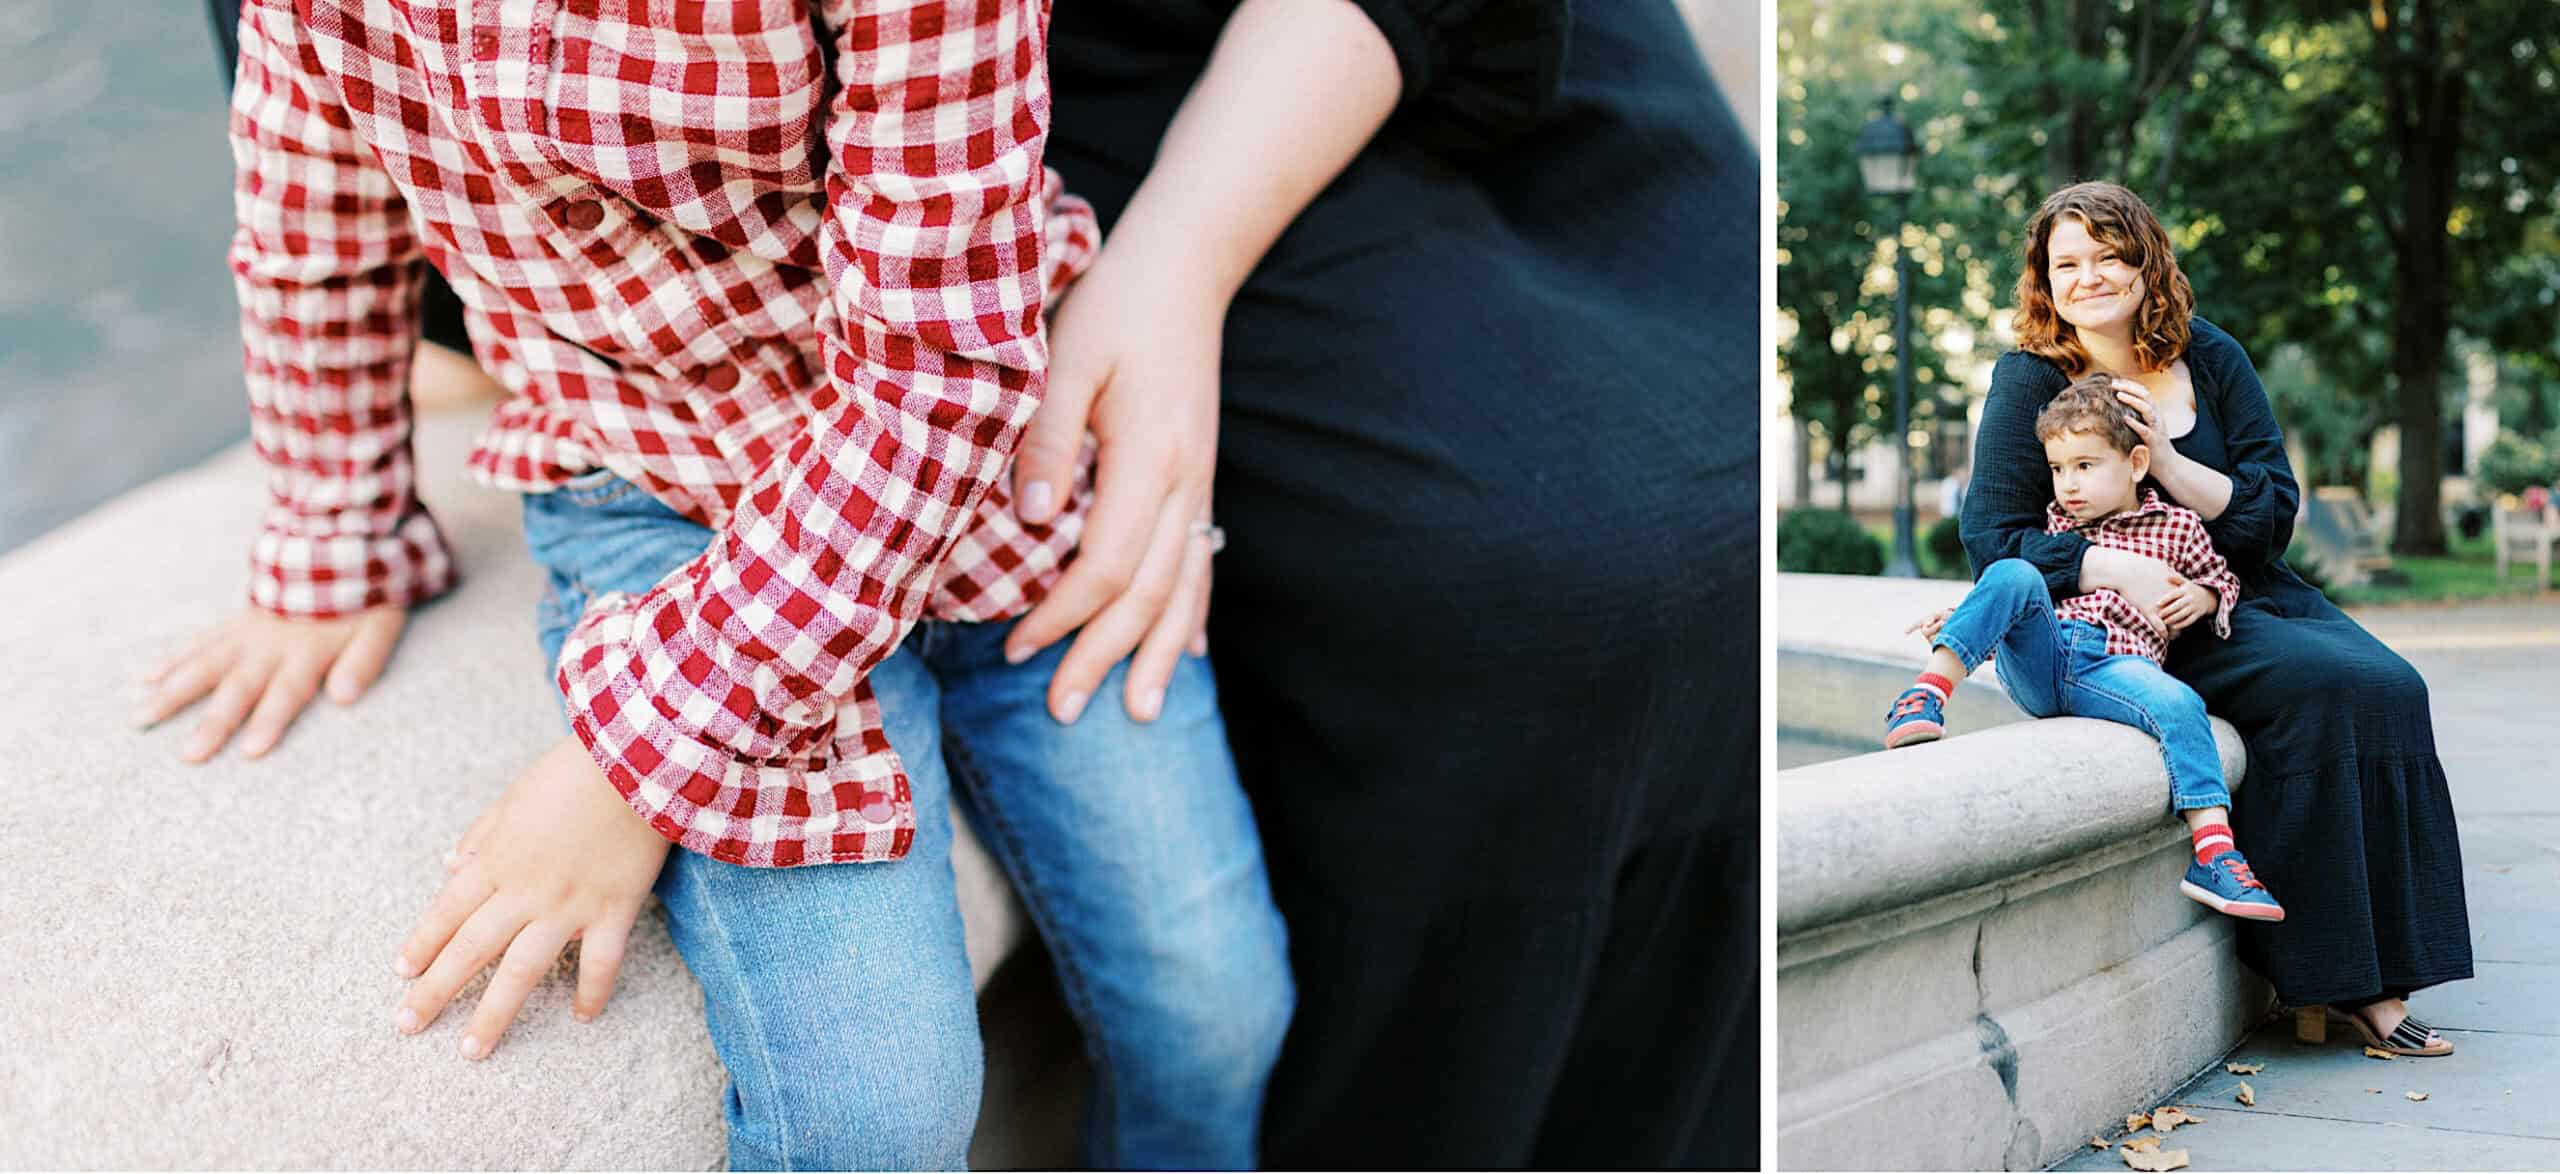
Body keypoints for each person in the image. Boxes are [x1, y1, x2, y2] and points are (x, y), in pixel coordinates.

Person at [149, 0, 1294, 1166]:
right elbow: (315, 225)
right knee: (874, 1117)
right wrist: (334, 533)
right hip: (651, 484)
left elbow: (941, 368)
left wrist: (633, 752)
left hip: (981, 474)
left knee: (1217, 1002)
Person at [1018, 1, 1762, 1164]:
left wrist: (1179, 256)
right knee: (1542, 575)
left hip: (1507, 37)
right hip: (1119, 69)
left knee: (1727, 490)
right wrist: (1174, 260)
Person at [1961, 180, 2469, 1058]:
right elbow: (1993, 536)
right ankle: (2346, 987)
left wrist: (2163, 458)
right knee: (2327, 690)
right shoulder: (2030, 379)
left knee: (2393, 686)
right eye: (2066, 262)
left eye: (2109, 255)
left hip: (2243, 590)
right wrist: (2127, 563)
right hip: (2125, 616)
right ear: (2044, 278)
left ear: (2146, 259)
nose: (2089, 277)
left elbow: (2271, 512)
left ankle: (2393, 969)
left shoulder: (2213, 357)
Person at [1889, 376, 2280, 921]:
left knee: (2183, 707)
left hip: (2113, 669)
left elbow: (2225, 580)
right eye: (2058, 469)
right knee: (2012, 571)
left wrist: (2205, 597)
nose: (2067, 486)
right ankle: (1924, 696)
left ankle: (2215, 854)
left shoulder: (2179, 528)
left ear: (2137, 463)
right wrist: (1963, 618)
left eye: (2085, 466)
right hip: (2043, 656)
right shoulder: (2055, 530)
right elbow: (2017, 592)